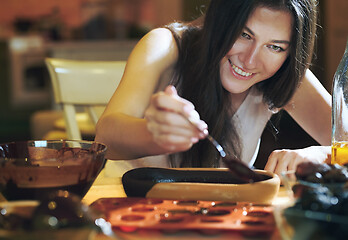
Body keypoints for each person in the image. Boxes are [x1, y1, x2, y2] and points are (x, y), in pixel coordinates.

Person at [95, 0, 331, 177]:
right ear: (220, 22)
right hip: (127, 213)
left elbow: (346, 139)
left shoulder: (284, 72)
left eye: (275, 47)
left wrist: (318, 156)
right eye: (244, 34)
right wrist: (154, 134)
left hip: (214, 221)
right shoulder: (165, 46)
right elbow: (105, 138)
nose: (249, 60)